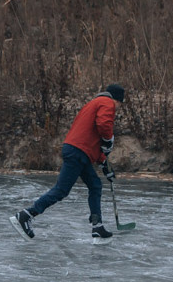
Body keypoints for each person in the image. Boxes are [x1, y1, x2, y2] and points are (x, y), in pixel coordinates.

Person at [10, 83, 126, 242]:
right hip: (78, 152)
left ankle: (97, 226)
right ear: (117, 100)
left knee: (95, 184)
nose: (117, 108)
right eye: (119, 104)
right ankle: (26, 215)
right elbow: (104, 125)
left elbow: (90, 138)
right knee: (61, 190)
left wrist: (104, 163)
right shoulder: (107, 103)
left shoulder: (92, 104)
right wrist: (108, 139)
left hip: (79, 151)